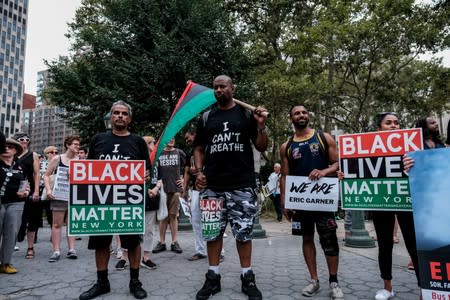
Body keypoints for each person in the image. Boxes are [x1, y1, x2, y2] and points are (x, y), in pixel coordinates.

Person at [193, 75, 268, 300]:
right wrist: (199, 172)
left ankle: (247, 277)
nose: (218, 90)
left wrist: (261, 126)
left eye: (222, 86)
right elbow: (198, 147)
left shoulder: (247, 114)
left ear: (232, 88)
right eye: (215, 87)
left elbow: (261, 145)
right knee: (212, 233)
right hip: (213, 186)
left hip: (241, 185)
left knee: (243, 234)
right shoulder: (206, 117)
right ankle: (213, 277)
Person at [79, 100, 150, 300]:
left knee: (133, 241)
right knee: (101, 242)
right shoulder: (98, 139)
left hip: (129, 200)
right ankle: (102, 283)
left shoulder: (137, 141)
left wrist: (145, 176)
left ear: (130, 118)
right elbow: (89, 168)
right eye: (116, 113)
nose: (120, 116)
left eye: (124, 113)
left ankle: (135, 281)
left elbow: (147, 170)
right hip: (102, 200)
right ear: (111, 116)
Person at [279, 104, 344, 300]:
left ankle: (334, 282)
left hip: (323, 200)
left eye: (304, 112)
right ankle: (314, 280)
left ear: (308, 116)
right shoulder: (286, 146)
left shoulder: (324, 138)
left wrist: (323, 172)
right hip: (300, 202)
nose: (301, 115)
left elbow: (338, 163)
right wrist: (285, 202)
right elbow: (285, 175)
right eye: (297, 113)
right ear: (291, 118)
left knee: (329, 241)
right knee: (306, 239)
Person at [361, 112, 420, 300]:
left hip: (406, 201)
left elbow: (424, 174)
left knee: (413, 245)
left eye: (396, 122)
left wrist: (414, 165)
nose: (394, 125)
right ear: (379, 127)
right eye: (388, 123)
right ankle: (387, 287)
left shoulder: (412, 147)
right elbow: (362, 171)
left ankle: (423, 288)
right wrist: (346, 177)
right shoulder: (369, 148)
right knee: (384, 245)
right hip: (381, 201)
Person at [45, 136, 80, 262]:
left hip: (74, 196)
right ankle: (56, 251)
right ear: (67, 145)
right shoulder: (57, 158)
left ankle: (72, 249)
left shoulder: (80, 160)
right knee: (57, 224)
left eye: (78, 144)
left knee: (72, 225)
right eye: (75, 144)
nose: (78, 146)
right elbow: (46, 175)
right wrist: (49, 190)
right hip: (59, 194)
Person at [0, 138, 30, 274]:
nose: (7, 149)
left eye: (11, 147)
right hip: (0, 201)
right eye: (5, 146)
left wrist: (26, 191)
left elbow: (25, 183)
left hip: (16, 202)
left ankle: (6, 263)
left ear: (16, 151)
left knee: (11, 233)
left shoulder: (20, 166)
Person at [152, 138, 185, 254]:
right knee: (163, 216)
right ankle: (161, 242)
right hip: (162, 189)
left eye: (173, 138)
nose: (171, 140)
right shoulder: (159, 153)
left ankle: (174, 242)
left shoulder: (179, 153)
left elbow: (186, 169)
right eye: (169, 138)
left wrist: (183, 179)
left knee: (174, 216)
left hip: (175, 189)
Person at [13, 133, 41, 259]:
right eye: (21, 139)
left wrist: (36, 191)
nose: (25, 141)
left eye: (27, 139)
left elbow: (37, 174)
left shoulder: (33, 155)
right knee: (14, 220)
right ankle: (10, 245)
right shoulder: (11, 154)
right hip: (13, 190)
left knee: (32, 220)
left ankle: (30, 248)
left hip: (28, 189)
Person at [140, 135, 159, 269]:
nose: (155, 146)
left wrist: (156, 188)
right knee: (131, 229)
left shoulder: (157, 161)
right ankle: (124, 256)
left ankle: (146, 257)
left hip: (152, 198)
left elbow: (161, 177)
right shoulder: (138, 160)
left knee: (149, 230)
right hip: (137, 198)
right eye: (153, 143)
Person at [40, 146, 59, 234]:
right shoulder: (41, 163)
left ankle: (53, 234)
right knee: (36, 216)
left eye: (56, 152)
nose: (54, 154)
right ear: (46, 154)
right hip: (39, 190)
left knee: (50, 214)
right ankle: (33, 236)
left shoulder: (58, 164)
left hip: (51, 191)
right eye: (52, 152)